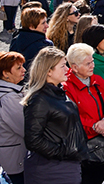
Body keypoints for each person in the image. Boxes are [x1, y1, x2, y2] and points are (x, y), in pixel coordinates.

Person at [22, 46, 88, 184]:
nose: (67, 70)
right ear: (49, 71)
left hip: (67, 165)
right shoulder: (39, 99)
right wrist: (63, 152)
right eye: (63, 66)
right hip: (50, 169)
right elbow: (33, 139)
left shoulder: (58, 91)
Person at [64, 43, 104, 184]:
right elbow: (72, 117)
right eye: (88, 63)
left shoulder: (97, 80)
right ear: (74, 67)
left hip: (103, 143)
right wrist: (95, 126)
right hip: (83, 148)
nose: (92, 65)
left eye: (92, 61)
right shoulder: (66, 87)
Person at [0, 51, 27, 184]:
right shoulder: (8, 98)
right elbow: (25, 128)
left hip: (7, 153)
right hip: (13, 158)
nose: (24, 70)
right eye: (18, 68)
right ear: (6, 73)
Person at [10, 6, 53, 72]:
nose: (47, 26)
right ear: (31, 26)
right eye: (43, 23)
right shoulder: (45, 45)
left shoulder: (15, 41)